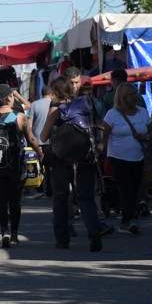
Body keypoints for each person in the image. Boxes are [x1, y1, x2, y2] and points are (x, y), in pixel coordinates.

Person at [40, 67, 114, 252]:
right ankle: (94, 229)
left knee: (61, 198)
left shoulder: (56, 110)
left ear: (55, 92)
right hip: (86, 157)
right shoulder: (86, 103)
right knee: (86, 197)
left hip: (62, 161)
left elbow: (42, 137)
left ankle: (62, 239)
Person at [0, 84, 43, 247]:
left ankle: (4, 232)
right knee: (15, 200)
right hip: (15, 165)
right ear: (9, 98)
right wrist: (39, 152)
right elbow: (30, 138)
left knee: (1, 200)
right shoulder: (20, 117)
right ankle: (15, 234)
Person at [100, 83, 152, 234]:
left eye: (135, 94)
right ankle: (128, 219)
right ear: (123, 97)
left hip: (138, 157)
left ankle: (131, 216)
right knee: (126, 188)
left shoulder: (143, 112)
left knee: (136, 187)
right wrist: (100, 147)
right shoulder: (112, 114)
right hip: (118, 157)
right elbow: (104, 134)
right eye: (131, 94)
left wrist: (145, 137)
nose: (134, 97)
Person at [26, 84, 54, 198]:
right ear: (51, 93)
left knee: (37, 166)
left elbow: (29, 123)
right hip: (50, 140)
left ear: (42, 93)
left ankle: (39, 190)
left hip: (36, 140)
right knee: (50, 167)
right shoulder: (54, 104)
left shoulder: (34, 104)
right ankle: (50, 190)